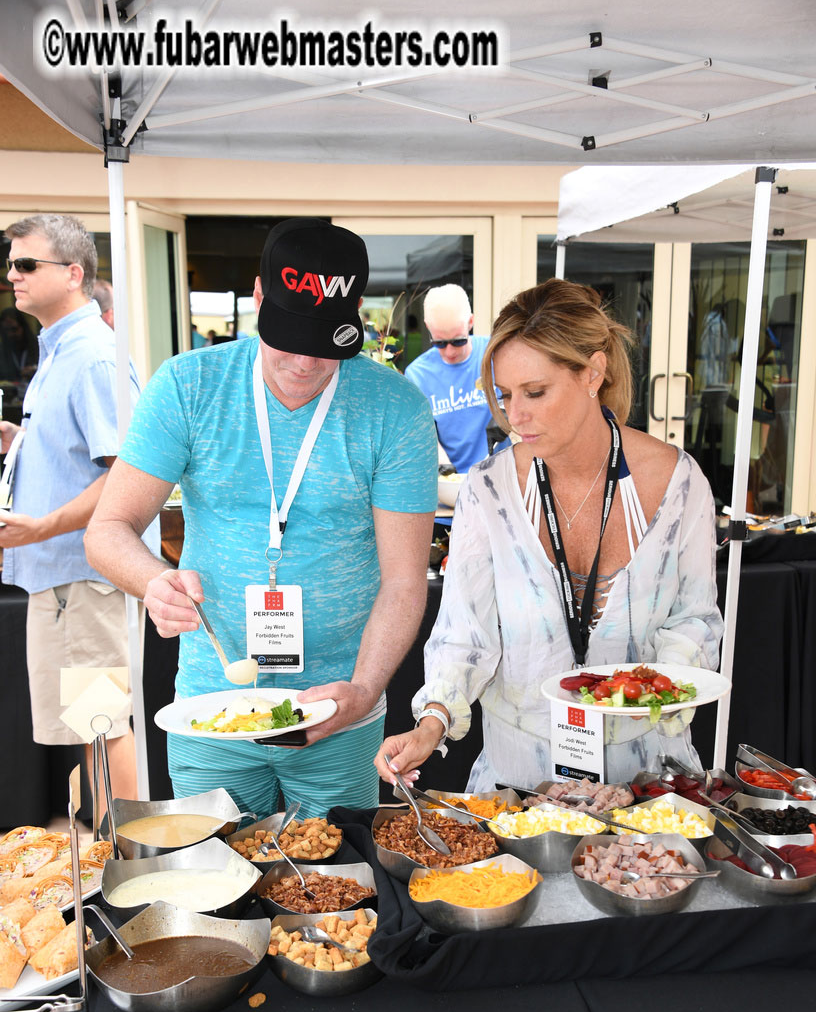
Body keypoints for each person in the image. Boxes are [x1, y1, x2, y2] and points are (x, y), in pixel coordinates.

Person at [85, 217, 438, 819]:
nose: (303, 362)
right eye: (288, 337)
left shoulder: (395, 408)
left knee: (337, 891)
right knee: (212, 892)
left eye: (326, 342)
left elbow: (405, 581)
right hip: (210, 707)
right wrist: (153, 581)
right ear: (257, 297)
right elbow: (108, 529)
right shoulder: (188, 386)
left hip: (337, 712)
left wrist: (364, 692)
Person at [375, 279, 724, 792]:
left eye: (535, 393)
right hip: (519, 787)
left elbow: (695, 619)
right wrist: (432, 722)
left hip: (651, 787)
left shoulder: (678, 481)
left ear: (593, 372)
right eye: (505, 396)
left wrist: (652, 693)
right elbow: (463, 633)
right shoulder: (488, 490)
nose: (516, 417)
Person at [0, 213, 148, 801]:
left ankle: (134, 861)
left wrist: (40, 526)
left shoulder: (90, 356)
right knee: (94, 727)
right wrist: (23, 441)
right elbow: (82, 455)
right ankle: (121, 853)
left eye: (26, 263)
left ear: (73, 273)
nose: (13, 274)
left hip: (80, 577)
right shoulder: (67, 349)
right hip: (68, 579)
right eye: (11, 264)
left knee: (103, 724)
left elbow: (125, 478)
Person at [405, 284, 492, 471]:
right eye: (440, 343)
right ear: (428, 327)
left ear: (470, 322)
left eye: (458, 340)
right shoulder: (417, 374)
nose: (450, 352)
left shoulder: (494, 354)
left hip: (500, 477)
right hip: (449, 483)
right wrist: (444, 467)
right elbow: (424, 434)